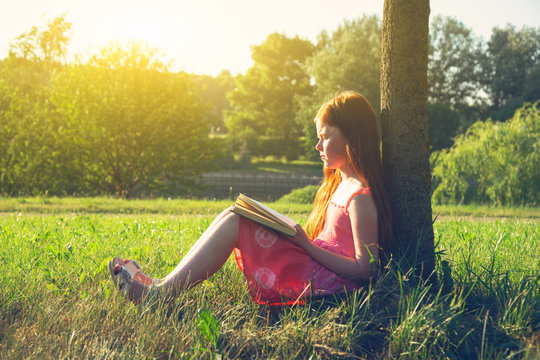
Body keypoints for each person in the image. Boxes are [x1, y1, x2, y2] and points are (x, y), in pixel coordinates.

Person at [108, 91, 393, 306]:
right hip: (315, 264)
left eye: (326, 136)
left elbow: (366, 270)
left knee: (236, 222)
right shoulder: (340, 183)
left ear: (352, 137)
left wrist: (305, 244)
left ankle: (160, 294)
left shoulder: (360, 198)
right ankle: (162, 285)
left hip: (330, 286)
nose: (317, 145)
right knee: (235, 213)